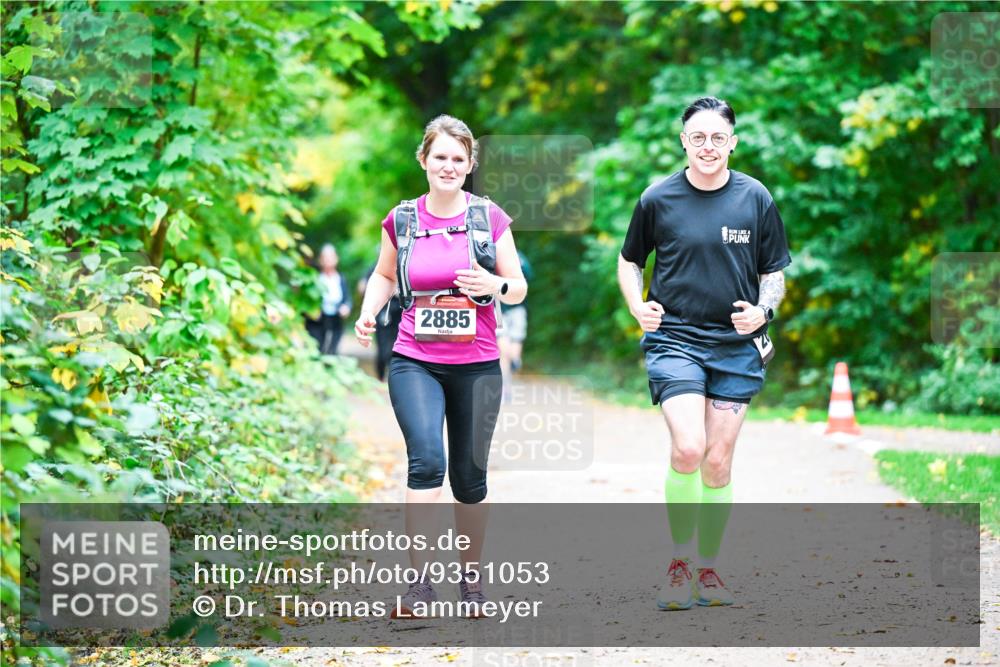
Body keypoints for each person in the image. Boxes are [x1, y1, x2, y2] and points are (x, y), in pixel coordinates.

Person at [616, 96, 791, 610]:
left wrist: (763, 312)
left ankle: (709, 571)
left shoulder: (755, 198)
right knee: (689, 447)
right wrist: (637, 305)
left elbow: (773, 273)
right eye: (698, 137)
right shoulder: (657, 199)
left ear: (732, 142)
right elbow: (629, 262)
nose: (708, 146)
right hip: (677, 340)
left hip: (735, 346)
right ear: (683, 141)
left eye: (718, 137)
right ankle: (678, 563)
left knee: (717, 460)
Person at [354, 115, 527, 617]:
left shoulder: (489, 217)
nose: (449, 166)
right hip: (415, 359)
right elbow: (384, 275)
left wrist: (491, 286)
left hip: (477, 363)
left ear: (470, 165)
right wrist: (369, 311)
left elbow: (516, 286)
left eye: (458, 158)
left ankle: (471, 583)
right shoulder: (402, 220)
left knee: (469, 478)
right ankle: (418, 586)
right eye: (440, 157)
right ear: (424, 160)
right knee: (426, 461)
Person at [358, 262, 403, 381]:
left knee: (397, 344)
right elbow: (363, 286)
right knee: (383, 346)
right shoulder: (376, 267)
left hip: (401, 311)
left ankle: (391, 375)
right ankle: (381, 376)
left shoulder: (406, 260)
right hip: (383, 310)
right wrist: (368, 310)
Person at [308, 243, 352, 355]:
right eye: (325, 258)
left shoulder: (341, 278)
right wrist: (312, 310)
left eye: (331, 257)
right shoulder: (314, 278)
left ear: (336, 259)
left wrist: (346, 307)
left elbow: (347, 299)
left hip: (336, 319)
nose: (328, 260)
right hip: (318, 320)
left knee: (332, 350)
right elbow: (307, 300)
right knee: (317, 348)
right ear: (320, 260)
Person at [498, 250, 533, 389]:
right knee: (516, 338)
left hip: (500, 307)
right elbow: (529, 276)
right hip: (518, 307)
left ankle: (505, 381)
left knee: (502, 346)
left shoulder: (493, 254)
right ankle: (515, 359)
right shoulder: (520, 257)